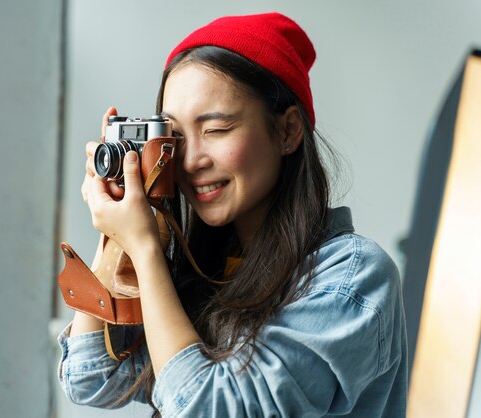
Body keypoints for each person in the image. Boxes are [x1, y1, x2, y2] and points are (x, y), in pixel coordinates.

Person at [57, 12, 407, 417]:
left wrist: (146, 251)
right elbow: (93, 376)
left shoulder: (351, 278)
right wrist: (118, 233)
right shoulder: (209, 269)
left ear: (288, 131)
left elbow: (213, 409)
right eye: (175, 136)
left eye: (216, 130)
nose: (189, 161)